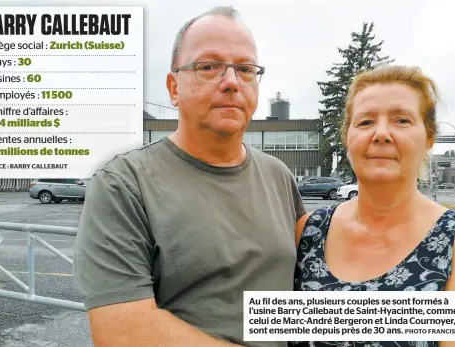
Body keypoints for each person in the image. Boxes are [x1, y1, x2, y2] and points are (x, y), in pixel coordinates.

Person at [73, 6, 305, 347]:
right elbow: (123, 334)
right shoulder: (124, 183)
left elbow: (300, 294)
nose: (231, 82)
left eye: (245, 68)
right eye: (208, 67)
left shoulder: (278, 176)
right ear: (173, 87)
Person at [291, 65, 455, 347]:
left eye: (402, 121)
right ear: (347, 138)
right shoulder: (308, 232)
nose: (381, 134)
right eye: (366, 122)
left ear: (429, 139)